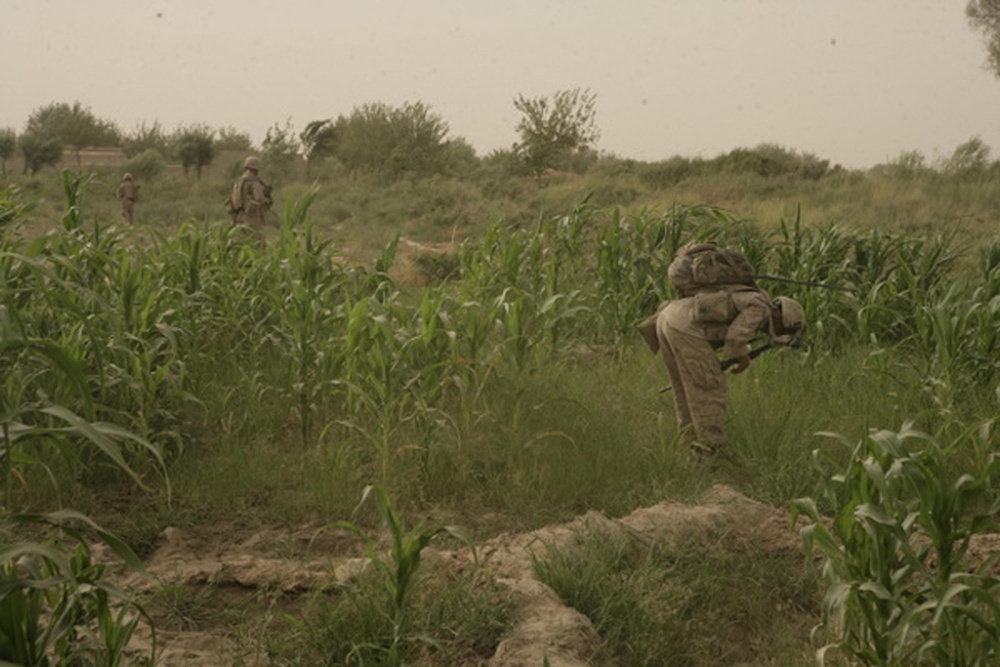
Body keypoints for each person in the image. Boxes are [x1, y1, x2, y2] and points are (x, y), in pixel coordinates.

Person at [639, 245, 805, 460]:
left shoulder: (744, 294)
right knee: (709, 387)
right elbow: (736, 338)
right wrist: (742, 357)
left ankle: (692, 449)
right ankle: (713, 451)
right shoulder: (760, 306)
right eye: (784, 330)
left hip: (666, 319)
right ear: (782, 318)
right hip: (685, 327)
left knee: (685, 391)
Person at [227, 155, 272, 238]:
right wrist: (267, 200)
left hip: (237, 217)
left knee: (241, 241)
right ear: (256, 169)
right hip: (251, 217)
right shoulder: (253, 182)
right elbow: (259, 198)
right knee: (257, 243)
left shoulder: (238, 182)